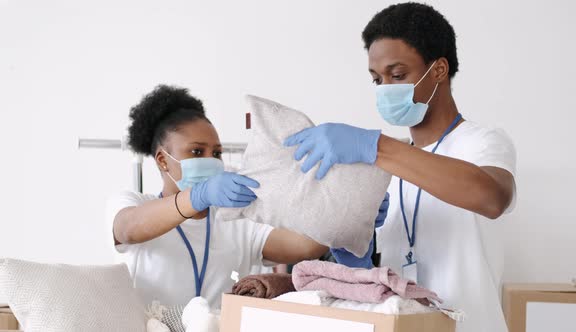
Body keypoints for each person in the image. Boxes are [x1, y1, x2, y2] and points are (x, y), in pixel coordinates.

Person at [284, 3, 516, 331]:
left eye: (397, 75)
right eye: (377, 79)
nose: (385, 89)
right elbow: (386, 273)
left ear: (438, 70)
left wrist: (373, 145)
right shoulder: (388, 166)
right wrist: (358, 257)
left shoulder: (483, 141)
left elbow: (492, 198)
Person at [106, 85, 328, 309]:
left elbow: (308, 246)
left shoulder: (236, 221)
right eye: (196, 152)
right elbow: (128, 229)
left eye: (217, 153)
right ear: (163, 160)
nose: (211, 160)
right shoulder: (132, 203)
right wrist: (198, 196)